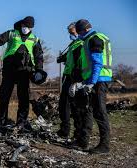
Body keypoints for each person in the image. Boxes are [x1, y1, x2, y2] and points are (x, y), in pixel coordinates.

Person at [0, 16, 44, 130]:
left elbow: (39, 57)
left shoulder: (35, 39)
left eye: (28, 27)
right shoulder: (12, 33)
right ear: (21, 25)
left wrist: (39, 70)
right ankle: (1, 121)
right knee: (4, 95)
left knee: (23, 98)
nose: (25, 28)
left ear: (32, 27)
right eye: (24, 26)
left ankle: (21, 123)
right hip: (10, 70)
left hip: (25, 71)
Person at [70, 19, 112, 153]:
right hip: (92, 80)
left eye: (79, 32)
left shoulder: (94, 39)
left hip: (99, 80)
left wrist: (92, 82)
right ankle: (83, 141)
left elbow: (97, 63)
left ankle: (104, 145)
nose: (79, 35)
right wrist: (83, 83)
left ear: (84, 30)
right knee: (87, 109)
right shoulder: (90, 39)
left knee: (100, 111)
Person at [56, 22, 83, 138]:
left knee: (75, 106)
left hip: (75, 78)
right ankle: (65, 130)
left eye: (72, 33)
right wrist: (61, 58)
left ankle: (78, 133)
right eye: (69, 33)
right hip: (67, 76)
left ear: (78, 31)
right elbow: (68, 57)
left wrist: (76, 80)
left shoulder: (81, 43)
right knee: (63, 104)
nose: (70, 35)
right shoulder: (73, 44)